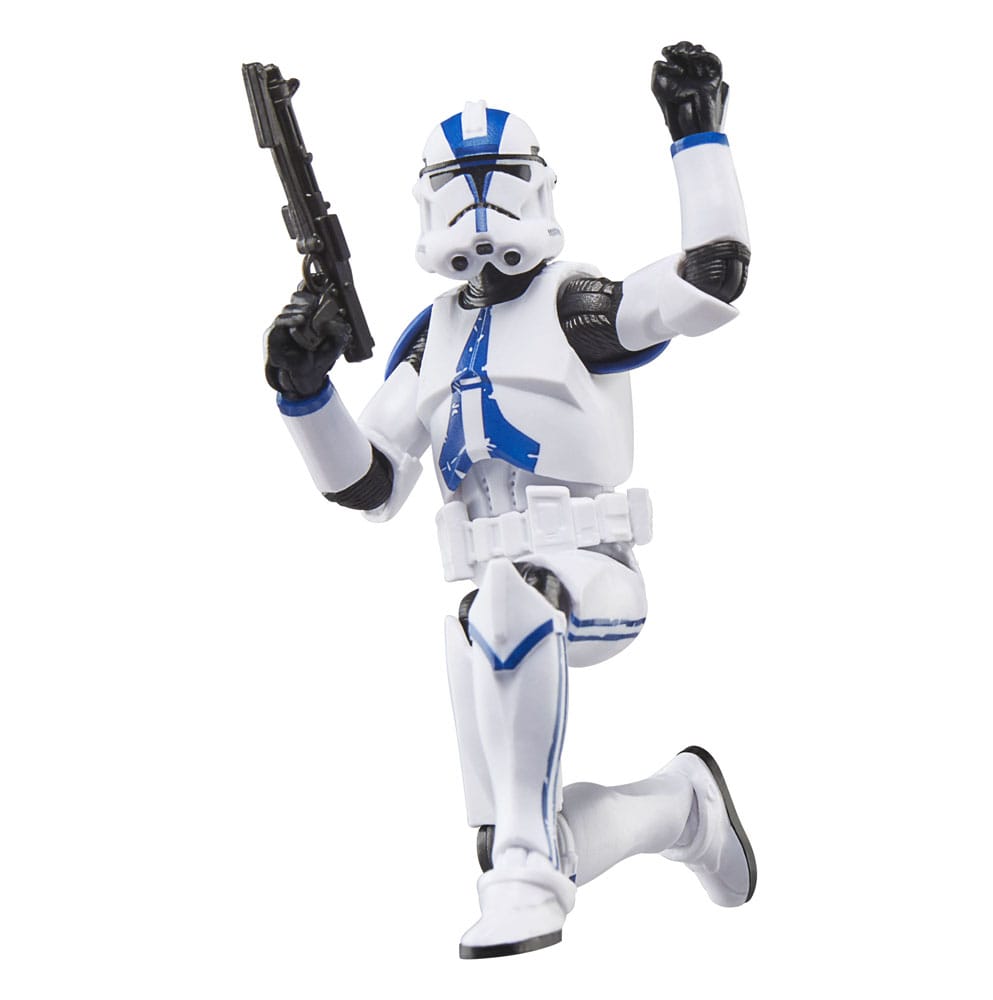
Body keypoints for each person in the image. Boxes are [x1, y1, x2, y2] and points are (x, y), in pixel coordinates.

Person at [264, 42, 755, 959]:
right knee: (506, 838)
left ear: (536, 189)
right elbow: (367, 481)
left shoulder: (576, 306)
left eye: (495, 181)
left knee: (514, 611)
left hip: (591, 573)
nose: (478, 206)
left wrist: (698, 135)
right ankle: (681, 808)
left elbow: (707, 279)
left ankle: (529, 883)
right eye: (457, 186)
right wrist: (304, 391)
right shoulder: (433, 340)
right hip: (490, 601)